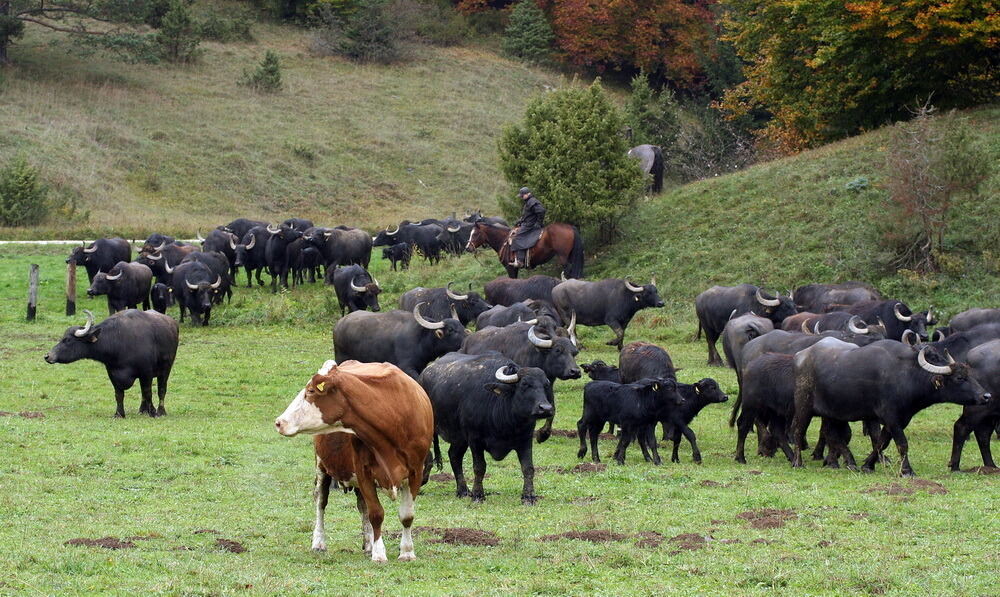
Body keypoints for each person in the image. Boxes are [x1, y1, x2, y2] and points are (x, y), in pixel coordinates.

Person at [509, 187, 546, 267]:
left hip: (530, 226)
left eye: (522, 196)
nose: (521, 197)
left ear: (528, 194)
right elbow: (527, 215)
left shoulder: (532, 202)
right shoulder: (528, 202)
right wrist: (519, 221)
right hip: (527, 224)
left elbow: (542, 211)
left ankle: (520, 261)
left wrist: (538, 223)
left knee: (517, 237)